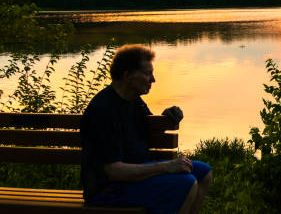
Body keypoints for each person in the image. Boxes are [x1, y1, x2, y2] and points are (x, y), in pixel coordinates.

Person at [80, 44, 212, 214]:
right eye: (148, 74)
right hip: (107, 189)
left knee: (204, 173)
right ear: (127, 75)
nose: (153, 80)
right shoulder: (103, 110)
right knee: (186, 183)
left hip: (134, 175)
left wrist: (165, 117)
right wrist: (167, 166)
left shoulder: (134, 101)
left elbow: (150, 130)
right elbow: (114, 171)